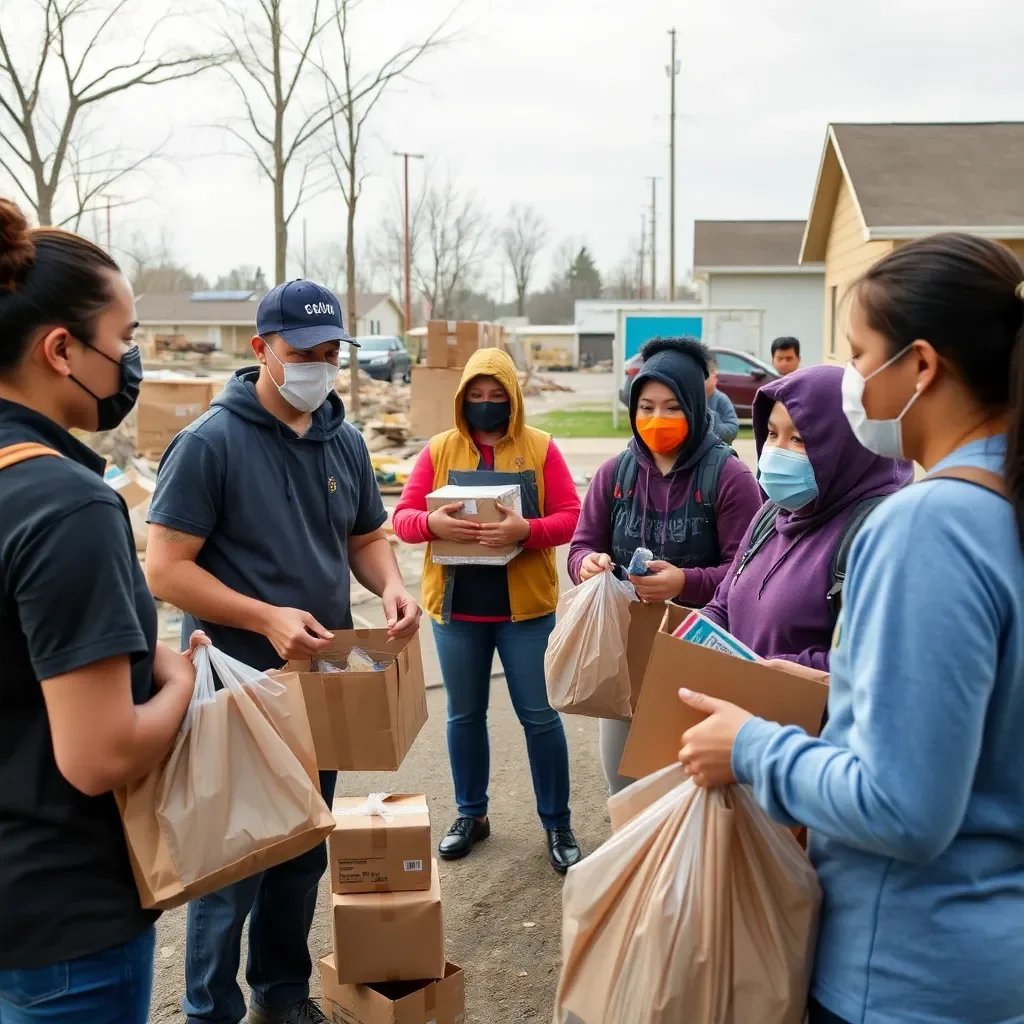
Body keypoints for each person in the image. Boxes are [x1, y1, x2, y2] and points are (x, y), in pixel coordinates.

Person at [678, 233, 1024, 1024]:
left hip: (905, 972)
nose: (851, 385)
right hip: (991, 955)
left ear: (923, 367)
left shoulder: (928, 527)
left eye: (861, 356)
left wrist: (751, 745)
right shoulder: (1004, 503)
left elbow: (905, 808)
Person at [145, 279, 421, 1024]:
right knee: (232, 861)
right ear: (261, 349)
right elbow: (165, 567)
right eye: (303, 353)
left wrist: (391, 584)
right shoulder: (209, 444)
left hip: (316, 681)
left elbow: (365, 536)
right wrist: (264, 616)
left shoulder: (346, 439)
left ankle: (281, 992)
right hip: (233, 688)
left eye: (332, 353)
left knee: (302, 847)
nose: (320, 367)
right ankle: (210, 1009)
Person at [0, 200, 204, 1023]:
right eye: (123, 343)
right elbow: (101, 754)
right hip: (62, 929)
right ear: (61, 350)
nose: (131, 362)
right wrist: (181, 680)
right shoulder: (65, 503)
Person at [392, 348, 583, 873]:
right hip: (458, 612)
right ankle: (471, 815)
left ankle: (557, 821)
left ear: (513, 398)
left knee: (540, 717)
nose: (486, 405)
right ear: (462, 399)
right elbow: (403, 519)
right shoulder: (440, 450)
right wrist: (435, 526)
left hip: (524, 612)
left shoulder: (540, 449)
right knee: (463, 715)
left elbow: (571, 517)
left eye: (496, 396)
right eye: (476, 396)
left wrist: (528, 531)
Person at [567, 336, 762, 794]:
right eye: (647, 407)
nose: (657, 420)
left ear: (696, 406)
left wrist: (687, 582)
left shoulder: (729, 477)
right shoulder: (614, 474)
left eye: (672, 407)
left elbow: (749, 575)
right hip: (625, 652)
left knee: (692, 793)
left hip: (700, 652)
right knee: (624, 786)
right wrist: (589, 565)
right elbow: (580, 547)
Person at [702, 363, 912, 668]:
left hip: (808, 714)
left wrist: (786, 670)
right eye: (772, 434)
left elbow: (880, 663)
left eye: (798, 439)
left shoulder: (879, 536)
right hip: (742, 710)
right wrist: (696, 631)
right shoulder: (771, 513)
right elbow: (723, 603)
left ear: (844, 446)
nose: (775, 451)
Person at [704, 351, 739, 445]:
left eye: (705, 377)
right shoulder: (688, 398)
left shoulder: (721, 399)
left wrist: (711, 424)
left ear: (714, 378)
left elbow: (732, 429)